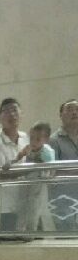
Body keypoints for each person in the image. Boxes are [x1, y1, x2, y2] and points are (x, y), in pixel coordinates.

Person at [0, 97, 30, 236]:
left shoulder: (26, 138)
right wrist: (28, 171)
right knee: (8, 245)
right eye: (6, 111)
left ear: (21, 114)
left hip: (26, 204)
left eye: (14, 110)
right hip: (6, 208)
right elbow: (1, 174)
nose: (11, 114)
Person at [49, 99, 78, 232]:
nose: (74, 112)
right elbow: (52, 172)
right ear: (60, 115)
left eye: (77, 109)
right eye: (70, 109)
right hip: (63, 200)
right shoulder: (53, 140)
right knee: (67, 237)